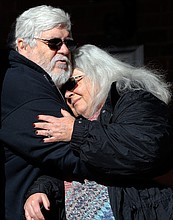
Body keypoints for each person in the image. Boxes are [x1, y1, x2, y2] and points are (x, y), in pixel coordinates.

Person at [24, 44, 173, 220]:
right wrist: (41, 190)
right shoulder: (81, 125)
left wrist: (77, 132)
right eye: (62, 90)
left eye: (71, 83)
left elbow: (144, 148)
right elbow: (69, 167)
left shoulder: (134, 100)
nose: (67, 94)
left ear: (98, 73)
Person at [0, 5, 93, 220]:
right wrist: (134, 154)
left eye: (68, 43)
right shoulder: (24, 87)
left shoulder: (39, 82)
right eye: (53, 43)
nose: (64, 50)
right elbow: (73, 156)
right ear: (22, 45)